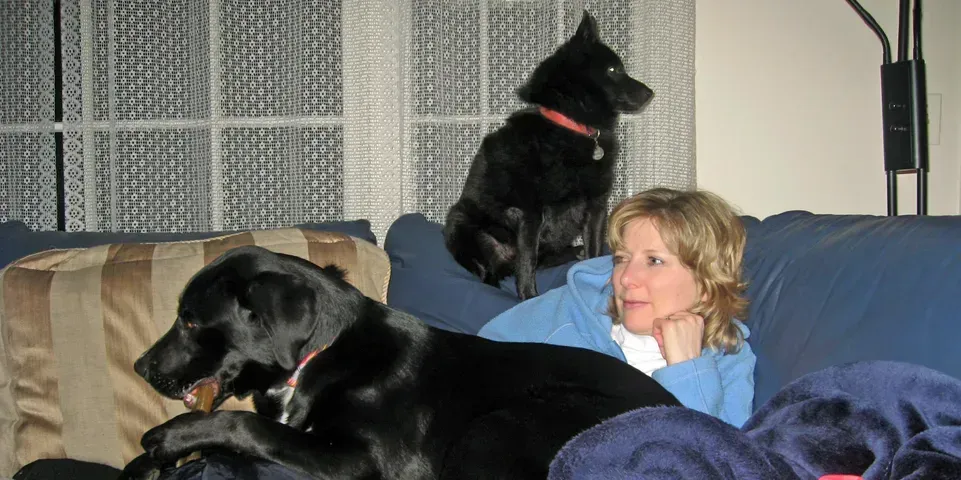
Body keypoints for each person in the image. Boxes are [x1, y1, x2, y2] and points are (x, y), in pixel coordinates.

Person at [477, 187, 756, 428]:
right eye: (621, 258)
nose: (624, 278)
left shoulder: (729, 358)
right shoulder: (567, 313)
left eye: (654, 261)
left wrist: (688, 367)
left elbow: (713, 460)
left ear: (707, 283)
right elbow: (472, 373)